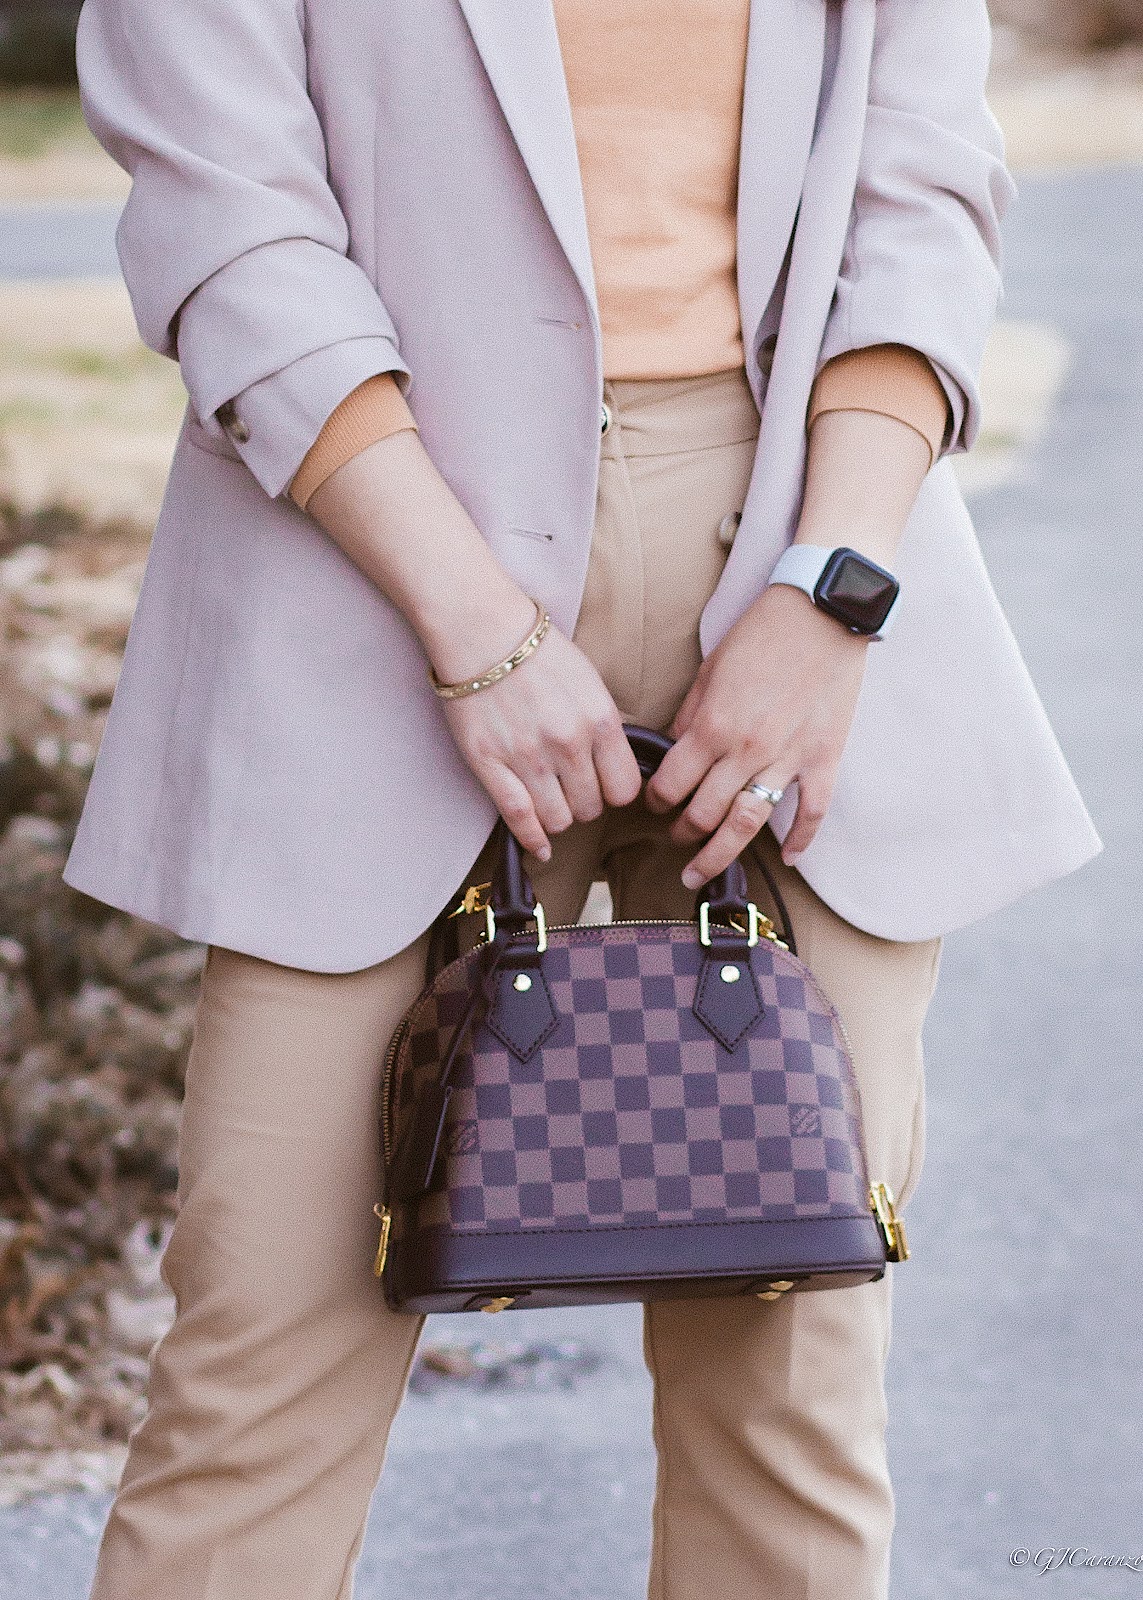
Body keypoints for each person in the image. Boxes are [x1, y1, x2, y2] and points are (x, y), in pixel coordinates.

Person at [65, 1, 1100, 1597]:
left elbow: (922, 193)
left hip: (803, 572)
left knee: (792, 1396)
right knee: (261, 1374)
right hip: (374, 583)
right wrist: (477, 633)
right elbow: (230, 224)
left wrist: (832, 598)